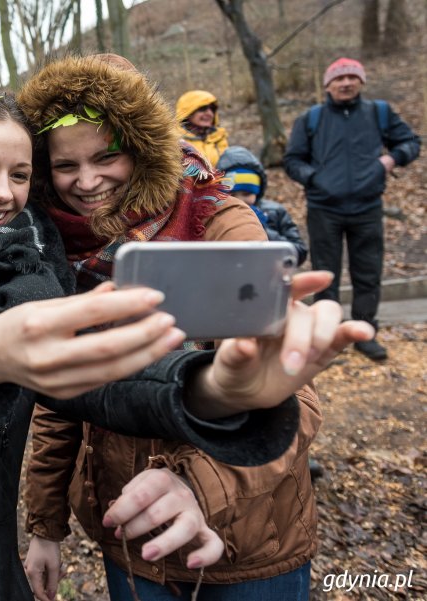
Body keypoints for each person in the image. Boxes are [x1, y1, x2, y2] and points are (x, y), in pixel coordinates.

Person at [0, 86, 372, 601]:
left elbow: (99, 369)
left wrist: (211, 388)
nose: (2, 193)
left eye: (21, 175)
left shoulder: (37, 267)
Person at [18, 55, 326, 601]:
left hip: (250, 542)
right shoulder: (58, 250)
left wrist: (196, 486)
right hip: (131, 537)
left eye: (107, 156)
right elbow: (61, 392)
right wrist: (45, 526)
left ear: (141, 149)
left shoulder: (217, 221)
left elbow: (290, 389)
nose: (87, 182)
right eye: (66, 166)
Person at [284, 57, 421, 361]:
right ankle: (328, 335)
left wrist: (390, 159)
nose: (345, 83)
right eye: (338, 78)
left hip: (367, 207)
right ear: (327, 85)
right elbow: (292, 160)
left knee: (368, 273)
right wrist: (315, 179)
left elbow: (411, 142)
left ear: (361, 82)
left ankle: (365, 332)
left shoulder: (379, 113)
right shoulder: (311, 118)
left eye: (351, 77)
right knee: (325, 274)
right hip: (324, 209)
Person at [218, 145, 308, 264]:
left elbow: (299, 252)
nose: (240, 201)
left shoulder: (275, 212)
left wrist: (263, 230)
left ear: (257, 192)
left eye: (246, 193)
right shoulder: (216, 217)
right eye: (232, 195)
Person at [175, 89, 228, 167]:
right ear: (188, 113)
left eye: (212, 109)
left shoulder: (218, 137)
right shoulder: (174, 140)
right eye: (203, 108)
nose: (210, 113)